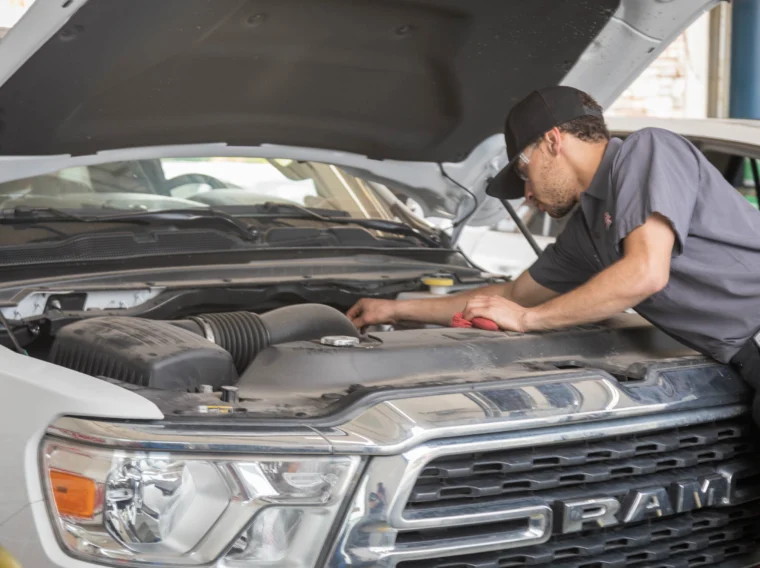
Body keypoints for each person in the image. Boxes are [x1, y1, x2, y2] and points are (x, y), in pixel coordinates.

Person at [347, 85, 760, 393]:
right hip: (742, 357)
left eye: (525, 174)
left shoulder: (646, 151)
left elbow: (645, 274)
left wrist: (530, 321)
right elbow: (514, 292)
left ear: (552, 141)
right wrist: (395, 311)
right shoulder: (587, 230)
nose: (527, 193)